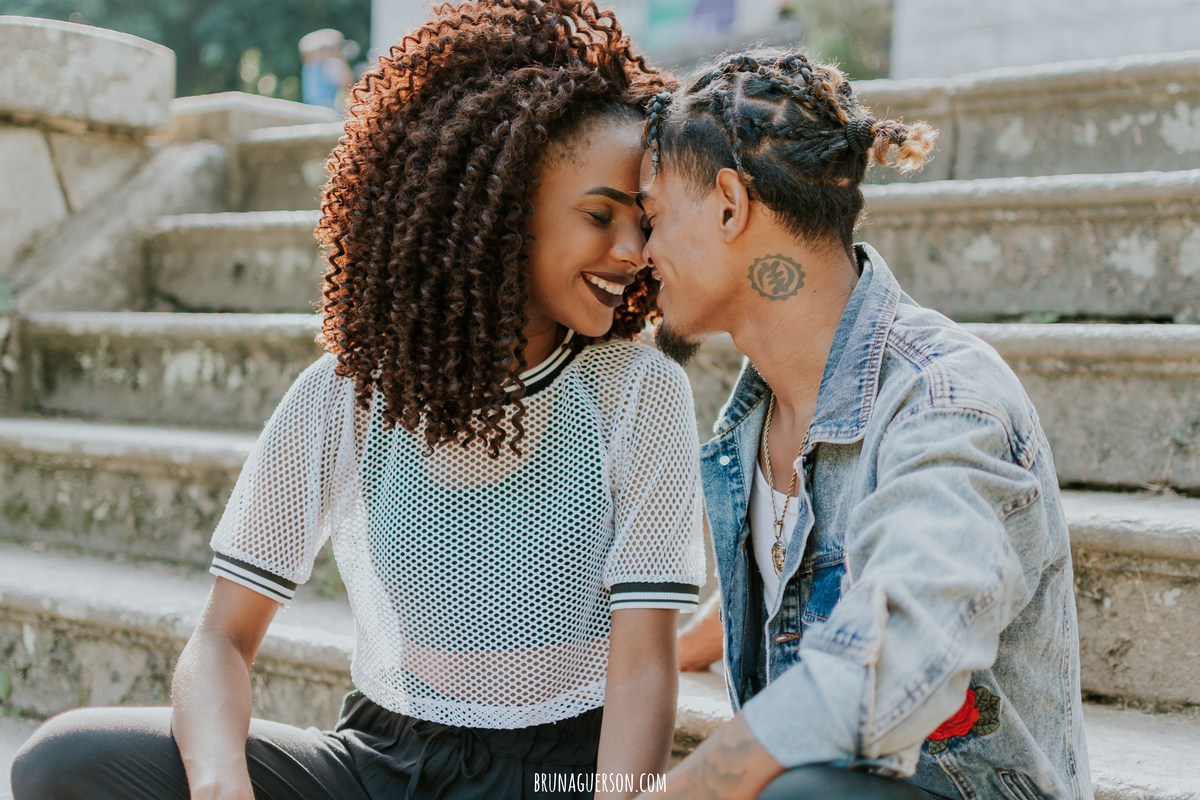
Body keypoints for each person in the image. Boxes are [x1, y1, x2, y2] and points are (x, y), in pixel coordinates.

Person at [13, 3, 705, 799]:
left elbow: (645, 665)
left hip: (554, 777)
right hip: (379, 762)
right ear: (501, 207)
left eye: (641, 221)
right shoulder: (349, 394)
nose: (632, 250)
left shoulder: (638, 393)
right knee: (64, 761)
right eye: (599, 216)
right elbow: (220, 642)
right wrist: (218, 784)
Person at [635, 50, 1091, 800]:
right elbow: (821, 557)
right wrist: (691, 641)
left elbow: (896, 648)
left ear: (728, 204)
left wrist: (688, 790)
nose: (645, 252)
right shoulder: (756, 417)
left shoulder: (945, 398)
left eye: (653, 217)